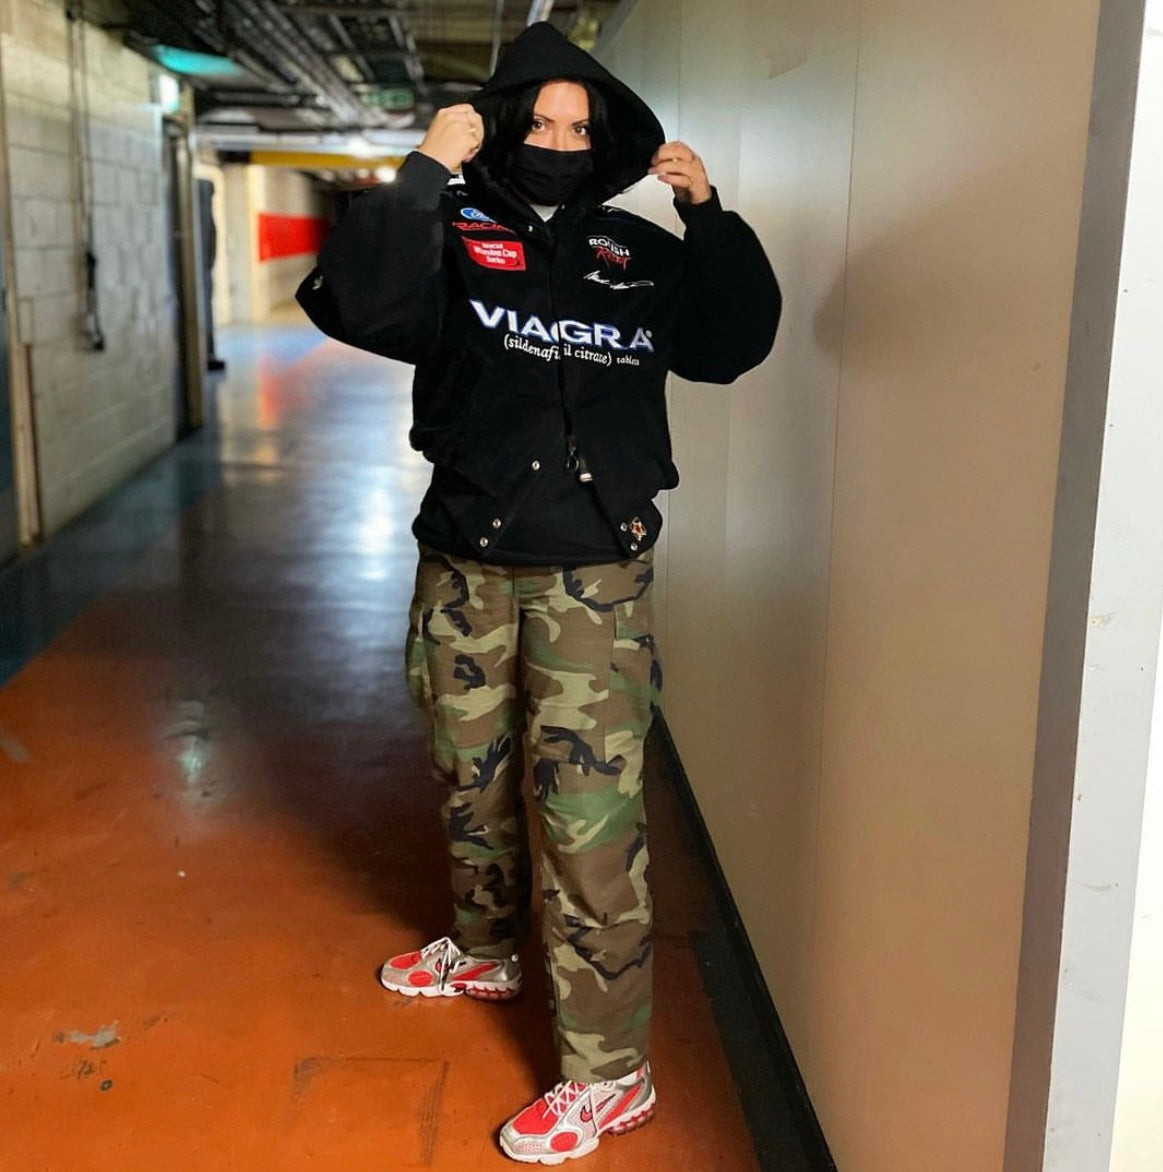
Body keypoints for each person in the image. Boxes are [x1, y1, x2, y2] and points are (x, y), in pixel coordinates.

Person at [296, 20, 779, 1165]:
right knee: (470, 775)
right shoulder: (453, 233)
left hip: (592, 578)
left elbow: (733, 342)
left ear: (602, 141)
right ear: (505, 126)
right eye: (541, 123)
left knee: (587, 823)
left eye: (578, 127)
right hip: (467, 562)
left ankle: (610, 1075)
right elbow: (352, 301)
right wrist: (426, 171)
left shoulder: (638, 252)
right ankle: (486, 946)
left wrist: (708, 217)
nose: (559, 143)